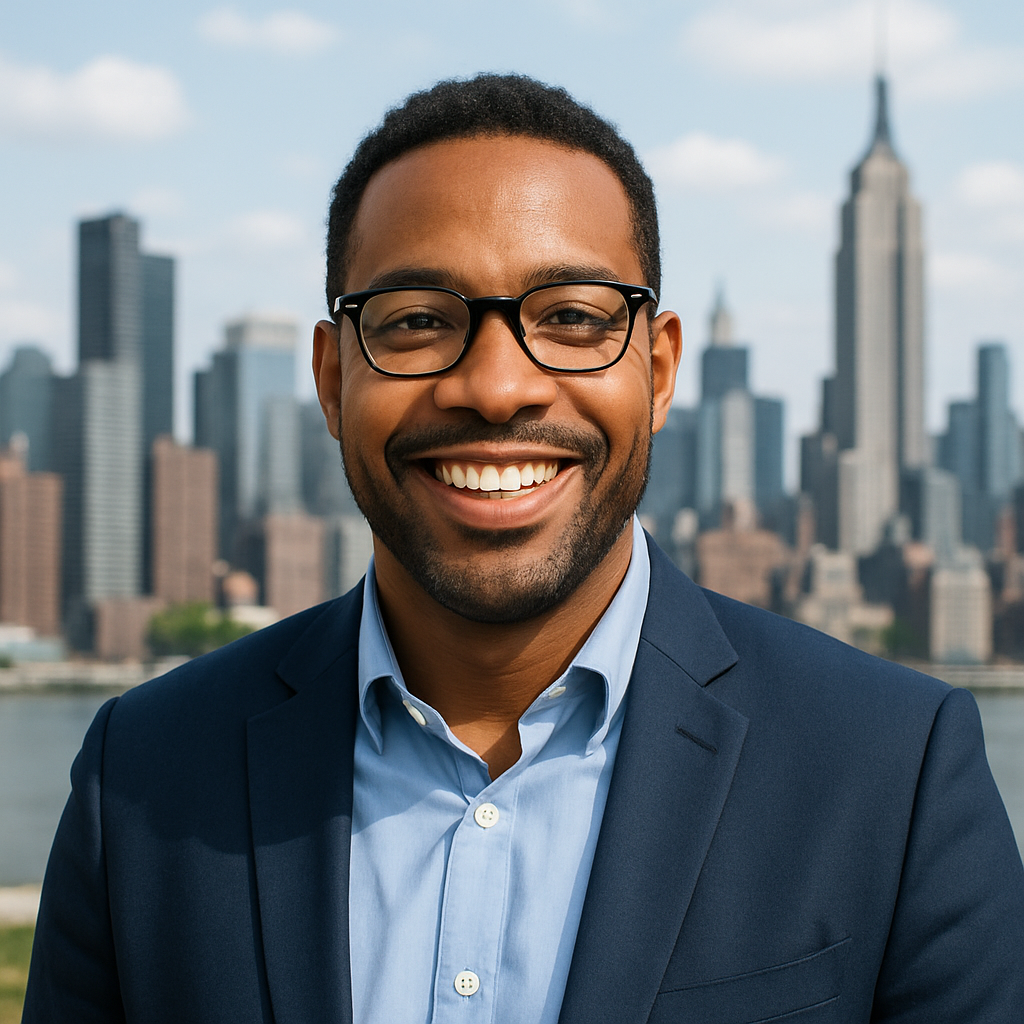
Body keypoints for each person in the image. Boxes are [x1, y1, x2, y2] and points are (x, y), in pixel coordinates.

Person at [23, 74, 1024, 1024]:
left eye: (573, 318)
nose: (497, 387)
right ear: (332, 380)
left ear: (660, 368)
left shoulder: (894, 772)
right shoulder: (141, 778)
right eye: (417, 320)